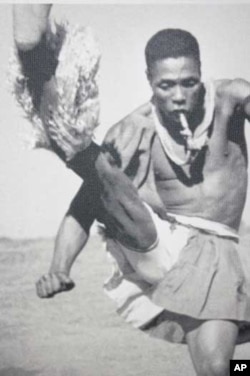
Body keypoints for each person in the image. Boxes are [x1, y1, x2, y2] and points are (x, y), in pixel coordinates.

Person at [12, 4, 250, 376]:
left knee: (222, 369)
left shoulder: (230, 100)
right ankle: (33, 54)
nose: (178, 95)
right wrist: (59, 267)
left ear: (201, 73)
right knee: (91, 160)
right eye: (165, 85)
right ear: (149, 79)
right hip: (155, 241)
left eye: (189, 82)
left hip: (214, 255)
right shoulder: (132, 132)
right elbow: (89, 203)